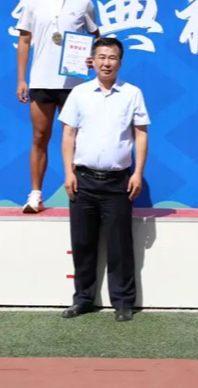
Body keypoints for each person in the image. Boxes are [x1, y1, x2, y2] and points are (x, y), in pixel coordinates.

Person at [58, 37, 149, 322]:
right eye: (101, 57)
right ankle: (83, 299)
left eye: (112, 58)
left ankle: (123, 302)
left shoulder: (132, 93)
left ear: (120, 62)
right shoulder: (80, 93)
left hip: (117, 182)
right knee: (82, 243)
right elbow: (68, 135)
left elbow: (141, 134)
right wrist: (68, 172)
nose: (106, 63)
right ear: (93, 60)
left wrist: (138, 173)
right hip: (83, 180)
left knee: (119, 245)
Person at [16, 0, 100, 213]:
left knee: (74, 138)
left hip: (72, 83)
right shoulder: (33, 3)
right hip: (41, 81)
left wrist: (93, 58)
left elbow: (97, 37)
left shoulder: (83, 3)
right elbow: (24, 41)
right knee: (40, 136)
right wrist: (21, 79)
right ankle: (35, 195)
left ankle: (79, 193)